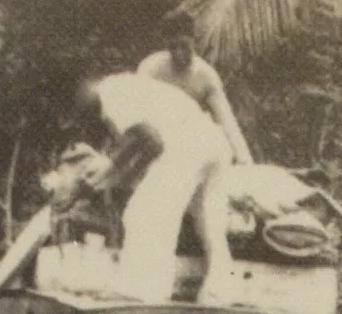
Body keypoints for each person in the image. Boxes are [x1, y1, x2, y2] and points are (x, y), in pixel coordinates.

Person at [77, 72, 234, 300]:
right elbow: (151, 149)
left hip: (186, 145)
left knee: (144, 214)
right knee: (209, 224)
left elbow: (151, 139)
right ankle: (219, 293)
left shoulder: (111, 95)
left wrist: (109, 163)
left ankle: (141, 291)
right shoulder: (130, 85)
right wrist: (117, 173)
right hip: (214, 143)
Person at [137, 12, 253, 164]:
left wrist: (244, 160)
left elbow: (227, 122)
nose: (179, 53)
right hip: (154, 141)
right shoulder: (150, 68)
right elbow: (137, 110)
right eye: (173, 47)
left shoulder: (205, 76)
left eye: (184, 46)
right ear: (165, 45)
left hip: (189, 147)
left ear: (194, 42)